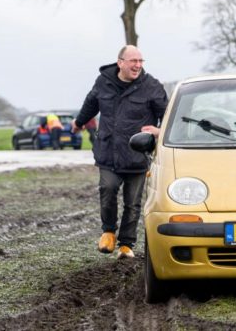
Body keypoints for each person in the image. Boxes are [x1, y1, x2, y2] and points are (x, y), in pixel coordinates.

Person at [72, 45, 168, 260]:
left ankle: (126, 245)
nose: (138, 65)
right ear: (120, 62)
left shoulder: (151, 86)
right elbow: (90, 105)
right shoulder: (103, 82)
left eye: (141, 61)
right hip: (108, 152)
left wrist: (158, 131)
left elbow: (167, 115)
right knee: (107, 189)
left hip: (137, 155)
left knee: (132, 204)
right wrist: (78, 123)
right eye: (133, 61)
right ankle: (108, 232)